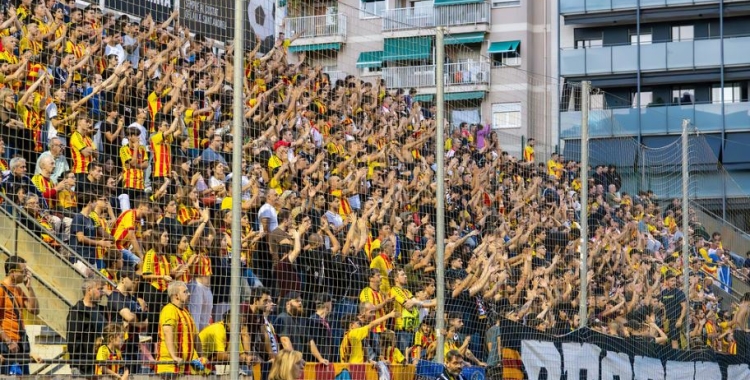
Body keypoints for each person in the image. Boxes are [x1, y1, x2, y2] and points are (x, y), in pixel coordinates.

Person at [156, 280, 205, 376]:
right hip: (170, 367)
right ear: (176, 296)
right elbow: (167, 332)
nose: (189, 293)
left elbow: (196, 337)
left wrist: (201, 356)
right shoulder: (169, 309)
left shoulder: (186, 312)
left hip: (184, 367)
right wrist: (174, 356)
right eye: (185, 292)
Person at [0, 256, 38, 375]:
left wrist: (29, 288)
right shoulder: (1, 290)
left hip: (21, 347)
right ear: (12, 272)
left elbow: (35, 310)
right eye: (23, 271)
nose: (26, 275)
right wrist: (8, 340)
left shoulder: (19, 291)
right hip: (7, 348)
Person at [66, 278, 108, 377]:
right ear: (89, 290)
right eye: (99, 289)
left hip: (101, 363)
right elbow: (73, 342)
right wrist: (82, 366)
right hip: (85, 366)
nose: (102, 293)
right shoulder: (77, 312)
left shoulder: (102, 310)